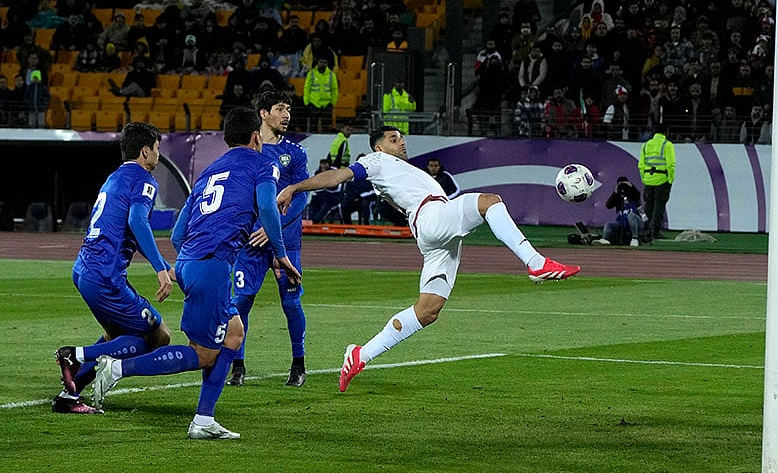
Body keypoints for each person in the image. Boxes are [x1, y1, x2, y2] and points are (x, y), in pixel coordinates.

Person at [275, 125, 580, 392]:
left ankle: (360, 355)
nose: (402, 142)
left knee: (427, 310)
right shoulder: (375, 161)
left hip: (434, 234)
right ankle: (535, 262)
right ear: (379, 147)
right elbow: (336, 177)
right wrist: (295, 187)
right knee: (490, 202)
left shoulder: (402, 170)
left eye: (401, 138)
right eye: (394, 139)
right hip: (432, 217)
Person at [91, 107, 302, 439]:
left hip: (191, 263)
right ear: (256, 137)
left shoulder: (210, 170)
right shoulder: (262, 163)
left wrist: (192, 262)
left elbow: (178, 233)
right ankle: (117, 368)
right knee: (203, 354)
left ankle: (204, 419)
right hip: (211, 267)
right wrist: (281, 254)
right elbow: (266, 206)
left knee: (234, 333)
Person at [53, 123, 174, 415]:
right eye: (157, 149)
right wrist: (159, 270)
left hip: (85, 270)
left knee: (115, 336)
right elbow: (137, 222)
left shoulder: (114, 178)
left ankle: (69, 395)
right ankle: (75, 356)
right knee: (158, 335)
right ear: (145, 151)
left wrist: (163, 264)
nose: (158, 155)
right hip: (105, 276)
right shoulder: (144, 180)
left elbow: (128, 231)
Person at [228, 91, 310, 388]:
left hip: (286, 241)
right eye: (280, 109)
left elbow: (301, 197)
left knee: (291, 303)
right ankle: (237, 366)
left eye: (288, 109)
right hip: (250, 241)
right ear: (263, 113)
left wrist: (272, 228)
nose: (286, 115)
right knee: (240, 301)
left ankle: (298, 365)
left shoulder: (295, 153)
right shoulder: (248, 152)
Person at [638, 122, 675, 240]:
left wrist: (644, 179)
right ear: (665, 132)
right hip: (662, 179)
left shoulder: (646, 145)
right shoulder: (667, 145)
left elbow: (641, 165)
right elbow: (671, 164)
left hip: (648, 179)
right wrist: (670, 180)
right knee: (659, 206)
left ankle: (645, 230)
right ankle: (655, 231)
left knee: (648, 206)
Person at [594, 176, 644, 247]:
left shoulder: (633, 195)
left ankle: (634, 238)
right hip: (623, 223)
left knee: (631, 215)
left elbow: (637, 195)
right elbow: (608, 205)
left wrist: (631, 186)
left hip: (636, 222)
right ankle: (605, 239)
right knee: (608, 225)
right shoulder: (618, 197)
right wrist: (615, 192)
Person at [303, 56, 338, 131]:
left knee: (326, 128)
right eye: (321, 62)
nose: (322, 64)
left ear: (327, 64)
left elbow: (334, 90)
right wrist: (307, 102)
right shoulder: (311, 73)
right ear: (317, 62)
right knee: (312, 127)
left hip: (327, 104)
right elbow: (307, 88)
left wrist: (332, 103)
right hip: (313, 103)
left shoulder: (331, 75)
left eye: (324, 62)